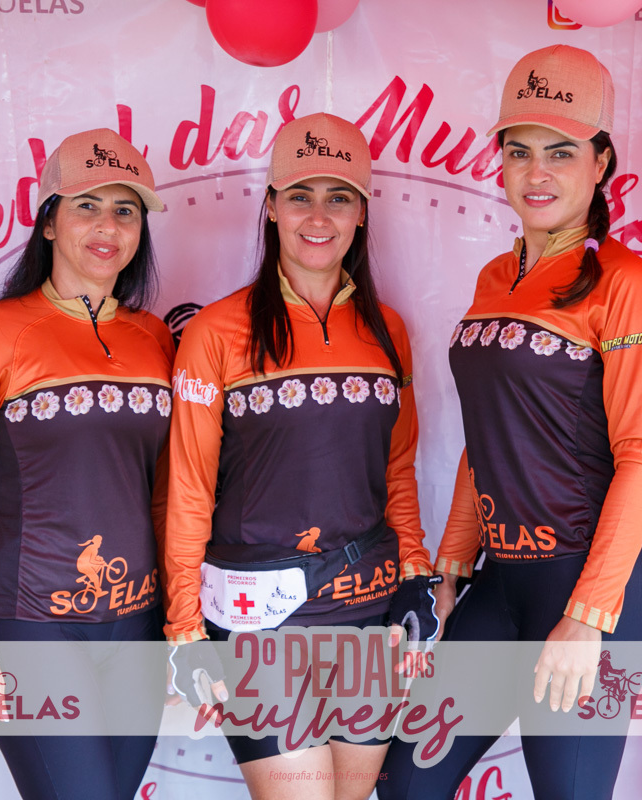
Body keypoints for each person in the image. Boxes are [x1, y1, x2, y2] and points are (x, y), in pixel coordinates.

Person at [380, 45, 642, 799]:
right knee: (408, 783)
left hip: (596, 589)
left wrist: (589, 617)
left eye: (560, 152)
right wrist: (451, 566)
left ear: (600, 163)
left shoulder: (625, 284)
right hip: (502, 581)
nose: (536, 173)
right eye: (519, 152)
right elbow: (488, 436)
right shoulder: (495, 277)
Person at [163, 112, 439, 800]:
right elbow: (189, 488)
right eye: (300, 196)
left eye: (339, 197)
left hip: (367, 606)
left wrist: (415, 574)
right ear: (271, 206)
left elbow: (397, 470)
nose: (319, 217)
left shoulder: (388, 330)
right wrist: (184, 627)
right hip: (257, 616)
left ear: (362, 213)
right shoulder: (215, 332)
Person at [0, 127, 174, 800]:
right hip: (30, 622)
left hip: (139, 625)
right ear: (48, 222)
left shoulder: (154, 339)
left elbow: (165, 495)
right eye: (86, 206)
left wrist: (180, 621)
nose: (107, 226)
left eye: (125, 210)